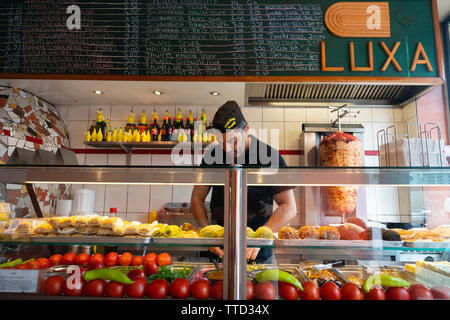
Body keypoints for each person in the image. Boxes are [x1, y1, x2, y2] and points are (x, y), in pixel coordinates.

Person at [191, 100, 297, 263]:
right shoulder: (212, 156)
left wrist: (260, 239)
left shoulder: (270, 157)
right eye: (221, 142)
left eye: (233, 141)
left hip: (259, 254)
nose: (227, 149)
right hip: (221, 253)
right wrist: (206, 232)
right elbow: (197, 198)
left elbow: (289, 207)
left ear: (246, 130)